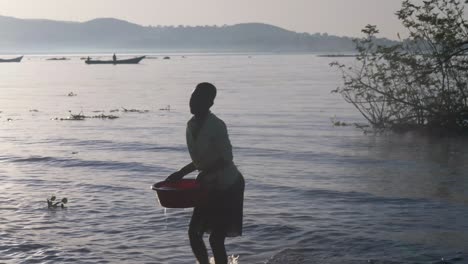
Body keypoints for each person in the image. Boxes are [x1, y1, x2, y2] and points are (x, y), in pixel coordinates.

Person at [166, 82, 245, 264]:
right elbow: (201, 159)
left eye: (198, 99)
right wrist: (181, 172)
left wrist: (205, 171)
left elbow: (226, 157)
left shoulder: (216, 125)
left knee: (216, 239)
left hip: (229, 185)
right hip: (208, 185)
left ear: (210, 103)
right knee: (194, 233)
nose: (192, 102)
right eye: (192, 97)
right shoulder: (191, 125)